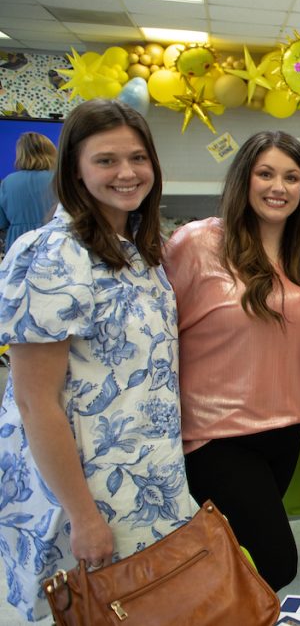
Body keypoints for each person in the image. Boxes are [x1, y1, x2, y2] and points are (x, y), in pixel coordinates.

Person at [0, 99, 196, 621]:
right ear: (75, 169)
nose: (127, 173)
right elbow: (33, 400)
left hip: (144, 483)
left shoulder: (137, 250)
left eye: (138, 158)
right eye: (106, 160)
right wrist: (83, 517)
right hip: (85, 494)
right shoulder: (52, 253)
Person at [162, 131, 300, 591]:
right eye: (266, 174)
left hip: (287, 427)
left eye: (292, 177)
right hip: (215, 434)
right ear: (244, 180)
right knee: (276, 562)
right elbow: (157, 337)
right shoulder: (197, 243)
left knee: (237, 561)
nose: (279, 187)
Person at [0, 131, 57, 250]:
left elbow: (2, 222)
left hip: (18, 246)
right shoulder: (61, 180)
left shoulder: (7, 182)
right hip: (53, 244)